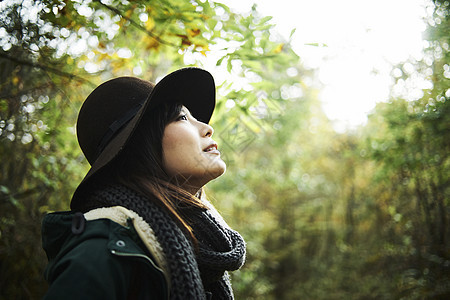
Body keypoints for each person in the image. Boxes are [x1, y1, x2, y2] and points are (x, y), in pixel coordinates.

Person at [41, 68, 246, 299]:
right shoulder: (104, 247)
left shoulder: (203, 247)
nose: (208, 128)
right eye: (181, 117)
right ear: (140, 146)